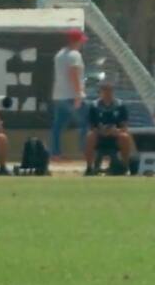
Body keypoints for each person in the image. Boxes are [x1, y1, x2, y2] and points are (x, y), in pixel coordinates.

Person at [51, 29, 88, 157]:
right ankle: (85, 151)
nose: (81, 44)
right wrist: (79, 95)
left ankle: (55, 153)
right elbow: (73, 74)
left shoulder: (59, 54)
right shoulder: (74, 55)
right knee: (86, 123)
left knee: (58, 127)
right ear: (75, 41)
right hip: (71, 96)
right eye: (80, 41)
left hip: (58, 96)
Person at [85, 81, 133, 176]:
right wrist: (101, 131)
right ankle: (89, 168)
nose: (107, 93)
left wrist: (116, 131)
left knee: (125, 137)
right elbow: (92, 126)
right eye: (105, 90)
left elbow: (124, 126)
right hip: (99, 135)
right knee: (90, 136)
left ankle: (126, 167)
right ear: (100, 92)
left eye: (110, 90)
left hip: (116, 135)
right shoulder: (94, 106)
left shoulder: (120, 105)